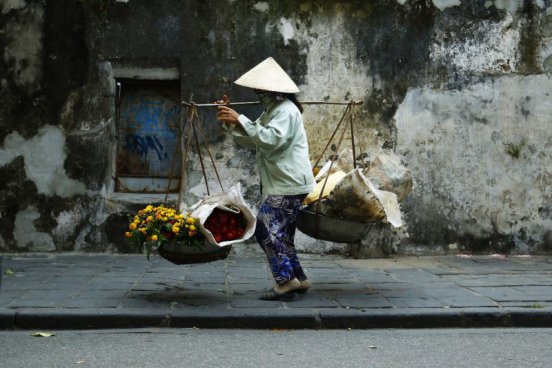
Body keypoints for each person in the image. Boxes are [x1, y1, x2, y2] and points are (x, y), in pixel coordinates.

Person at [216, 57, 315, 301]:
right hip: (287, 182)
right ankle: (299, 279)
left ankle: (286, 281)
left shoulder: (285, 111)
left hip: (288, 183)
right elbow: (253, 138)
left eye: (260, 88)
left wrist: (240, 118)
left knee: (264, 228)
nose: (257, 92)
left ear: (271, 89)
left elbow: (271, 140)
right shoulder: (272, 110)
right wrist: (232, 123)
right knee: (283, 235)